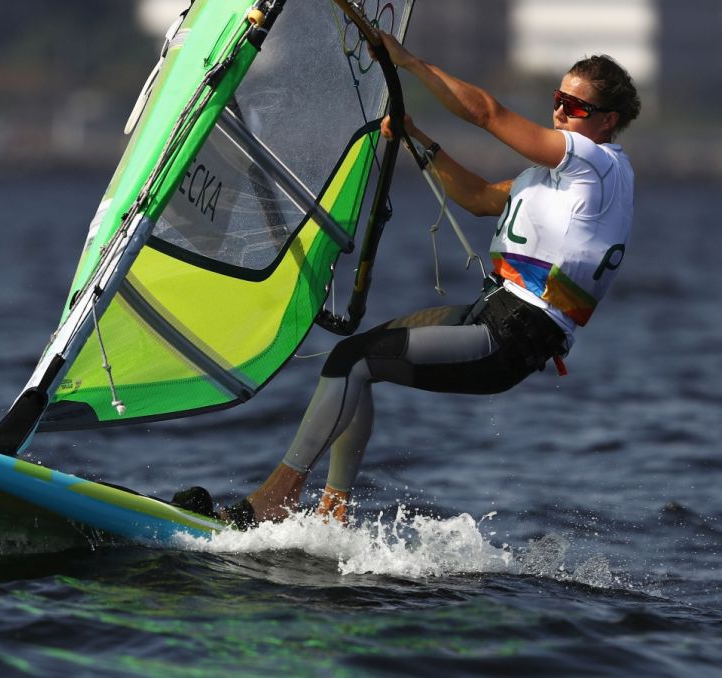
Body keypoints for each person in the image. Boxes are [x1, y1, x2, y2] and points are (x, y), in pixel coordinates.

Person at [193, 33, 641, 528]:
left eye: (575, 106)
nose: (560, 112)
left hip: (514, 335)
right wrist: (417, 138)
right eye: (558, 100)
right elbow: (478, 198)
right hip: (490, 316)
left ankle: (274, 500)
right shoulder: (555, 178)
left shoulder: (597, 165)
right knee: (354, 358)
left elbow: (487, 114)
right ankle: (331, 515)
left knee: (354, 362)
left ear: (607, 121)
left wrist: (408, 61)